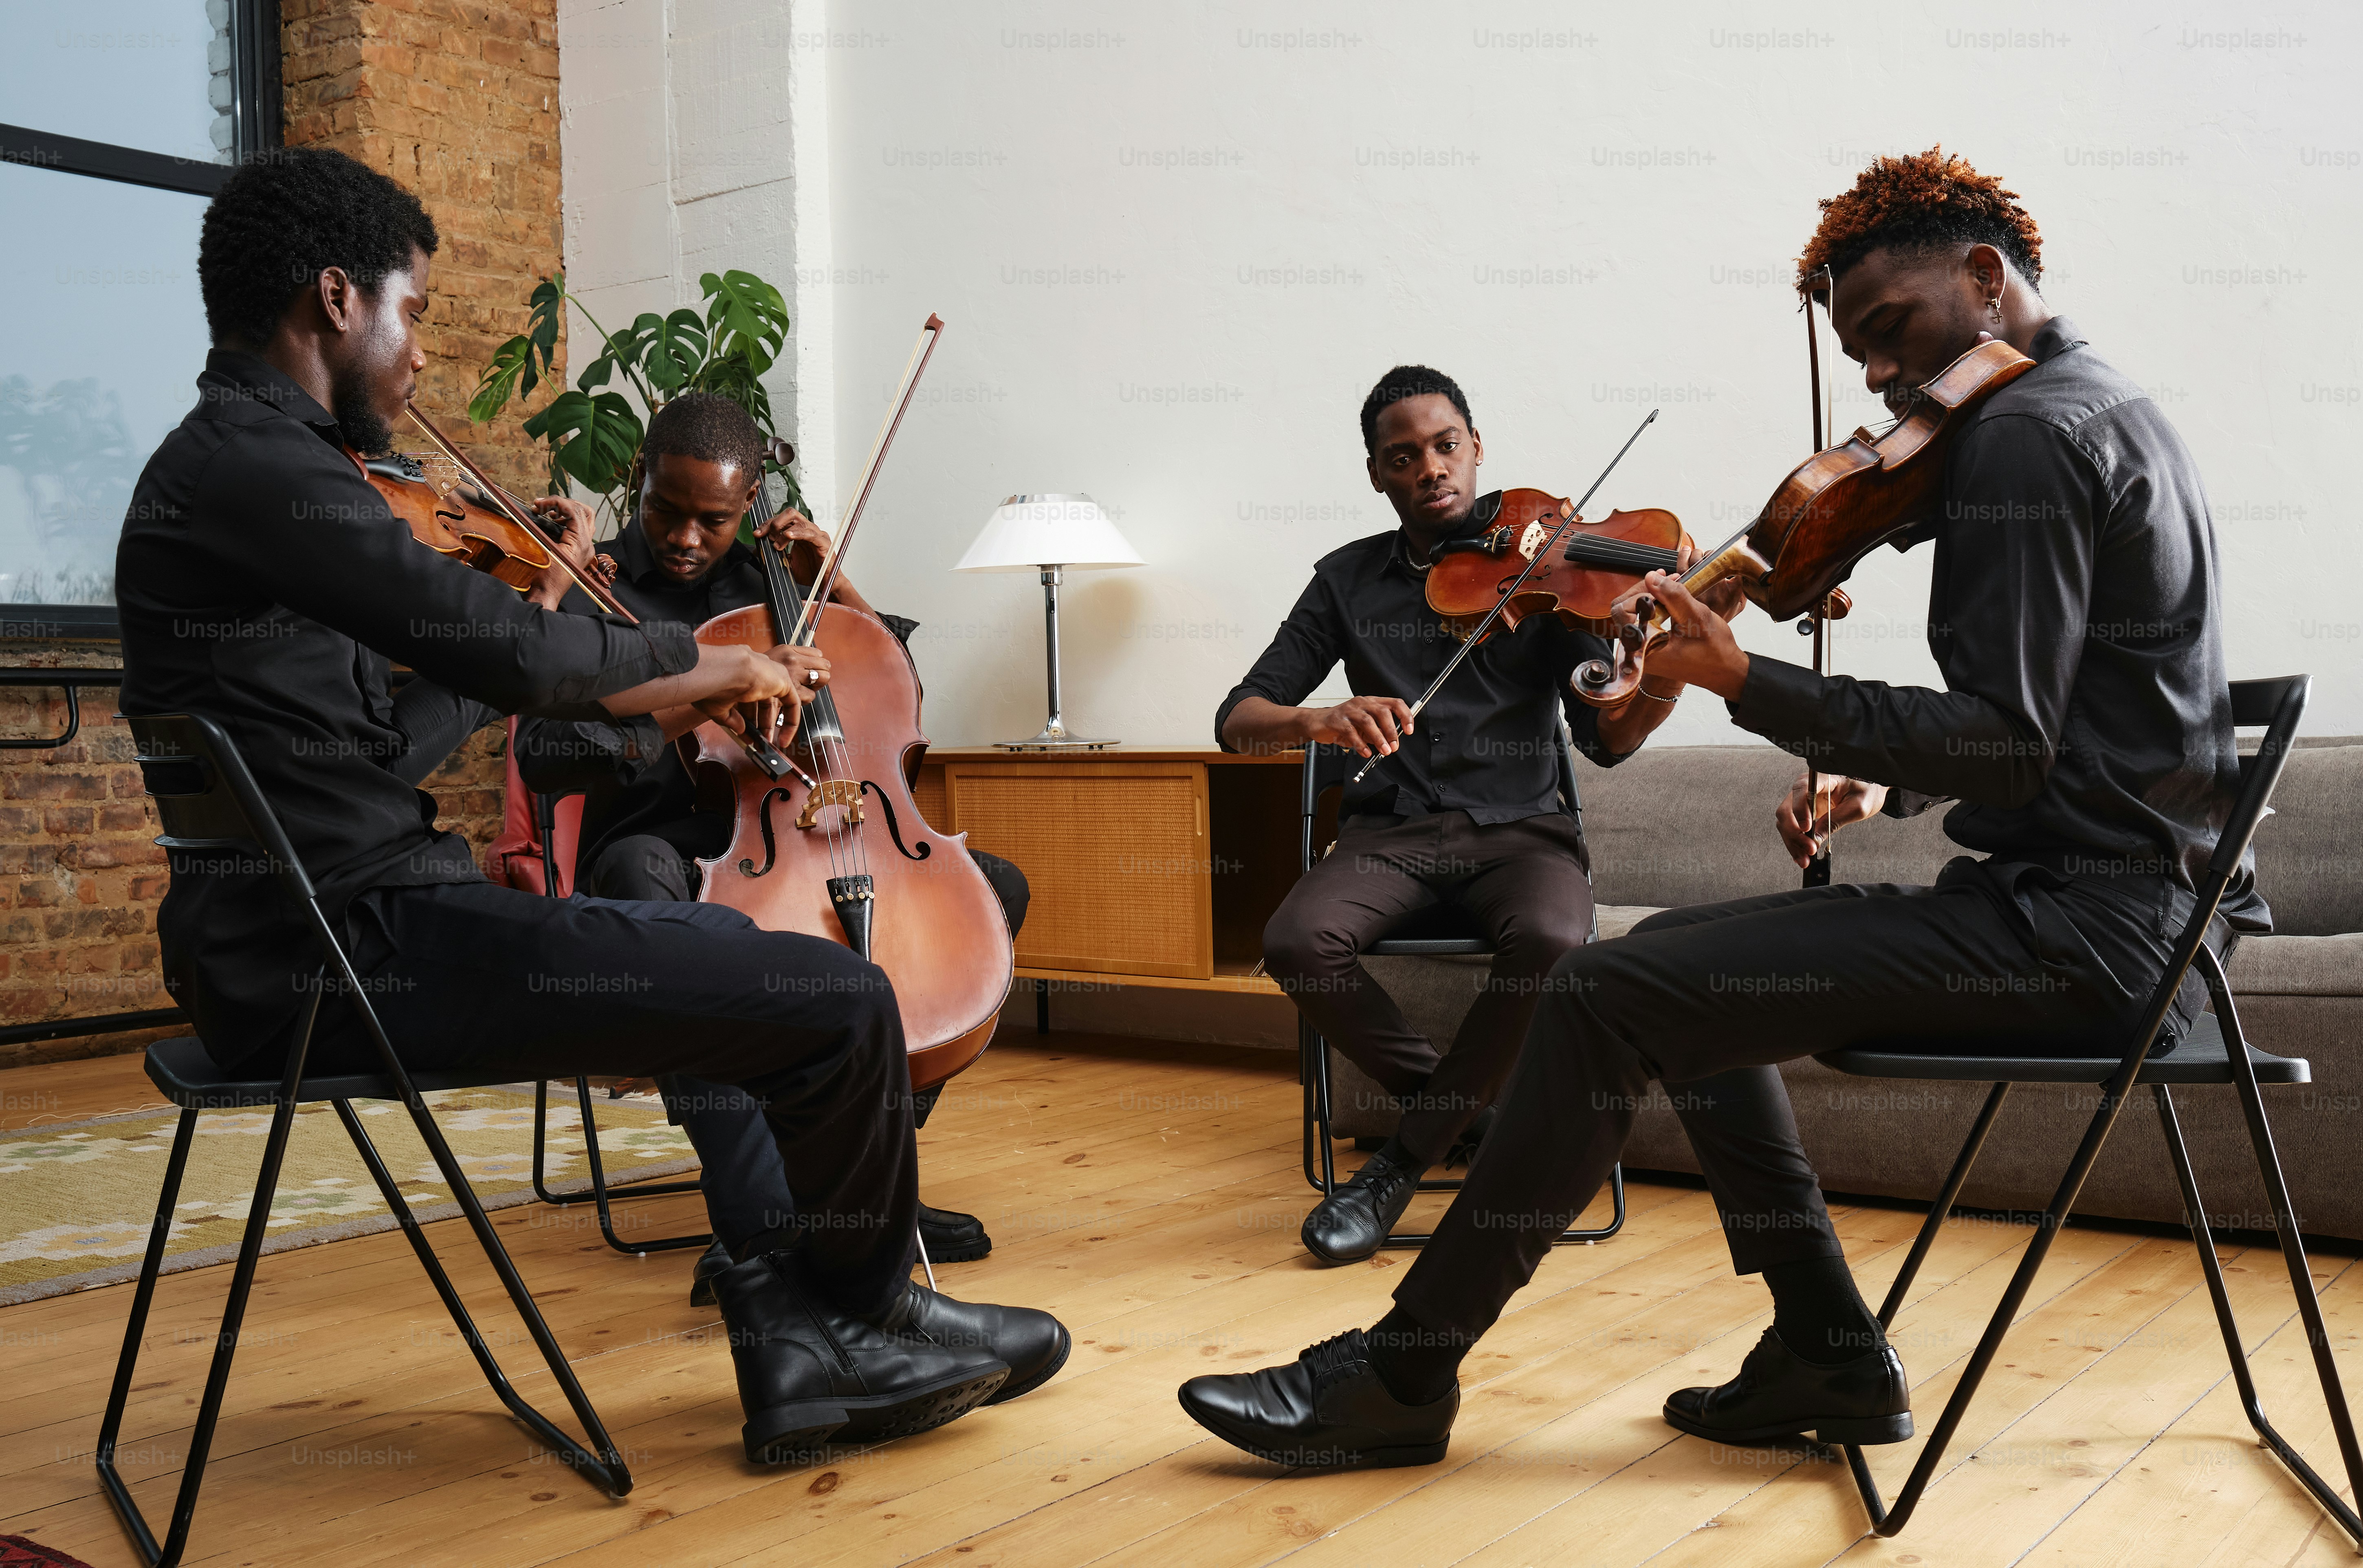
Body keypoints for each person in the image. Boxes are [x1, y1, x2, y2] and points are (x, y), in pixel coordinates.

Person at [1179, 146, 2261, 1468]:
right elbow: (2112, 717)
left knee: (1604, 991)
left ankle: (1402, 1375)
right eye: (1855, 346)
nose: (1872, 376)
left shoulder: (2027, 434)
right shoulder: (2106, 408)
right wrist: (1883, 779)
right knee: (1675, 977)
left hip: (2087, 935)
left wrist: (1748, 676)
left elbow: (2012, 737)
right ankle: (1826, 1345)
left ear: (1986, 278)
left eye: (1887, 330)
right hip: (2124, 909)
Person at [117, 145, 1066, 1465]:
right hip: (349, 949)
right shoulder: (264, 471)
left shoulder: (242, 468)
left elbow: (391, 739)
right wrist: (714, 663)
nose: (417, 359)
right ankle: (857, 1321)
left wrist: (539, 611)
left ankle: (804, 1335)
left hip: (327, 932)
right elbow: (512, 663)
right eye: (417, 315)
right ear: (338, 300)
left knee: (754, 958)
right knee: (835, 994)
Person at [512, 391, 1027, 1300]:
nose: (683, 536)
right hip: (667, 844)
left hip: (804, 829)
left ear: (748, 499)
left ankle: (860, 1186)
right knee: (650, 893)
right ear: (640, 481)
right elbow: (549, 752)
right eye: (666, 510)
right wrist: (705, 692)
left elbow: (889, 688)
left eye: (712, 519)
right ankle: (759, 1221)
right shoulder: (595, 587)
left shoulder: (772, 579)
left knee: (987, 891)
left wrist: (837, 581)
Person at [1218, 365, 1697, 1266]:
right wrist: (1314, 717)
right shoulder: (1345, 580)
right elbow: (1237, 718)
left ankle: (1398, 1164)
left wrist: (1662, 674)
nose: (1430, 468)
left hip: (1523, 835)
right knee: (1292, 939)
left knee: (1555, 941)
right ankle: (1479, 1122)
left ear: (1475, 449)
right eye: (1403, 457)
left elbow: (1607, 741)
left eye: (1445, 447)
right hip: (1390, 833)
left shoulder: (1552, 563)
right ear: (1377, 475)